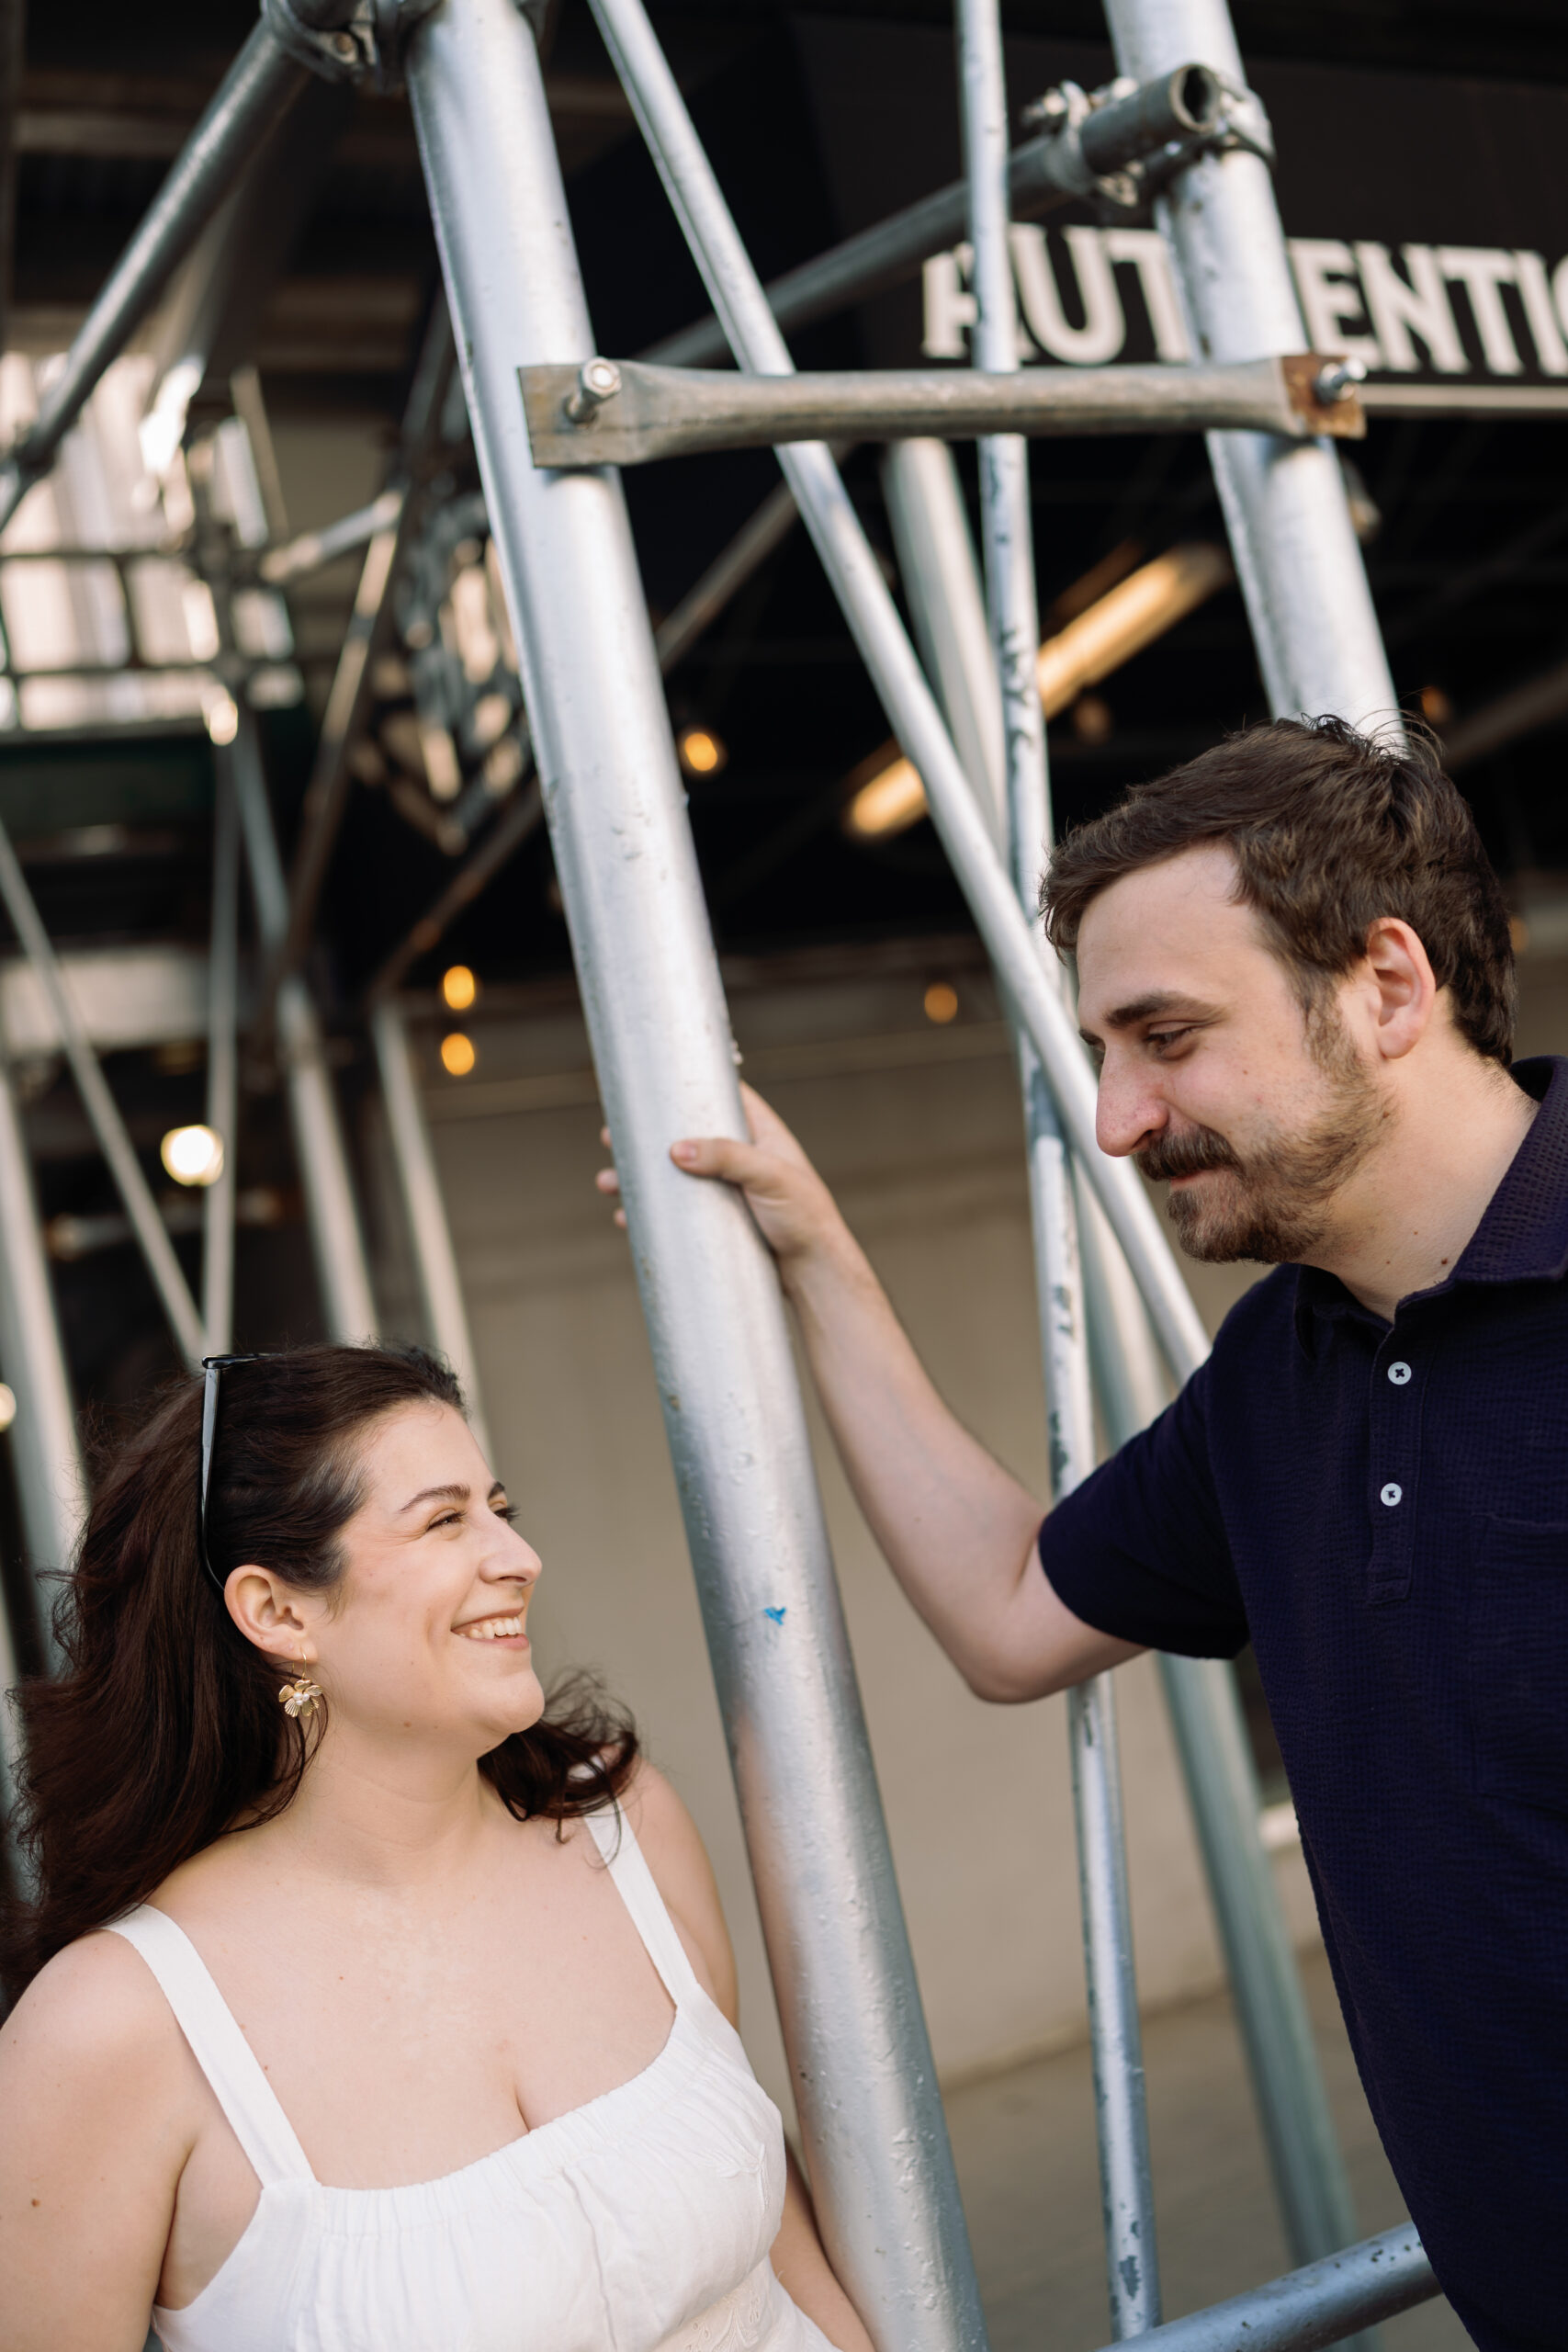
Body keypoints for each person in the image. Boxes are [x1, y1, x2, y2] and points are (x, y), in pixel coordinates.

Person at [603, 718, 1568, 2352]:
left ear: (1386, 986)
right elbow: (1007, 1609)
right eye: (1102, 1052)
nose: (1118, 1120)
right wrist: (821, 1266)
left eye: (1165, 1037)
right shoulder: (1280, 1373)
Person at [0, 1344, 872, 2352]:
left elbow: (776, 2237)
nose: (519, 1556)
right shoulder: (112, 2025)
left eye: (500, 1508)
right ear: (277, 1611)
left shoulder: (620, 1823)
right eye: (444, 1520)